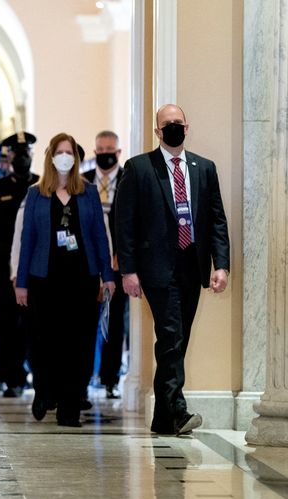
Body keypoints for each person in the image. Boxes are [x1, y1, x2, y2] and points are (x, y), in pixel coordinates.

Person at [115, 104, 230, 435]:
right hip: (156, 268)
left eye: (178, 123)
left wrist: (220, 264)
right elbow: (125, 223)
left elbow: (217, 219)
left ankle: (163, 418)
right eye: (167, 124)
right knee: (170, 335)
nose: (173, 128)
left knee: (177, 340)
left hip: (191, 265)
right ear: (157, 131)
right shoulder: (139, 168)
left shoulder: (204, 169)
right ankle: (178, 410)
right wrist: (129, 270)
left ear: (187, 127)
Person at [14, 132, 114, 427]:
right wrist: (21, 282)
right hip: (43, 278)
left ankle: (70, 405)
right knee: (45, 342)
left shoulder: (89, 192)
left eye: (69, 151)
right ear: (50, 156)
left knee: (80, 344)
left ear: (76, 157)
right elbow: (27, 239)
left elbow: (99, 236)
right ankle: (44, 390)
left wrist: (107, 276)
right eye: (60, 151)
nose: (65, 156)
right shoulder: (36, 193)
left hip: (81, 278)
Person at [0, 132, 38, 397]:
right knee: (3, 325)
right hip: (2, 267)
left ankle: (36, 373)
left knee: (33, 325)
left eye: (26, 152)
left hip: (34, 267)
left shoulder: (40, 185)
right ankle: (11, 377)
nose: (22, 157)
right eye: (17, 153)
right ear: (10, 157)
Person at [84, 130, 128, 399]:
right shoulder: (84, 181)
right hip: (88, 263)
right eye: (100, 149)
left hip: (117, 263)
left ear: (118, 152)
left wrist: (122, 253)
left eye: (109, 149)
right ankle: (87, 375)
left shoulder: (128, 180)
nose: (104, 154)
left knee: (114, 321)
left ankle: (110, 377)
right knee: (88, 321)